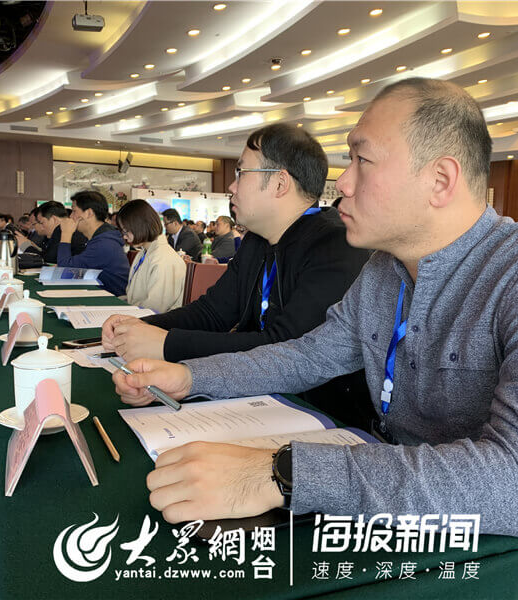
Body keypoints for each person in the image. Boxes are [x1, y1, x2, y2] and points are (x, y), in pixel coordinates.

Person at [113, 78, 518, 600]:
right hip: (404, 522)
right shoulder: (384, 270)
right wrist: (190, 377)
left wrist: (281, 472)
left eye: (362, 160)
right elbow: (307, 355)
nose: (343, 182)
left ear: (440, 180)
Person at [103, 122, 372, 429]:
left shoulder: (335, 245)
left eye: (241, 173)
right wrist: (141, 327)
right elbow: (213, 312)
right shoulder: (257, 240)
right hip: (253, 400)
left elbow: (285, 345)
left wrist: (167, 344)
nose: (232, 186)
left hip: (318, 415)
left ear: (280, 183)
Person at [117, 199, 186, 313]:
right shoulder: (144, 252)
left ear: (140, 226)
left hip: (154, 320)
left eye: (126, 231)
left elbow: (155, 308)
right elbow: (136, 297)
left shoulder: (163, 259)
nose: (124, 237)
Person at [56, 190, 129, 296]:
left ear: (89, 213)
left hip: (114, 299)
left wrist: (66, 233)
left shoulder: (104, 243)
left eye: (74, 211)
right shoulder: (101, 237)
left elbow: (64, 269)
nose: (71, 216)